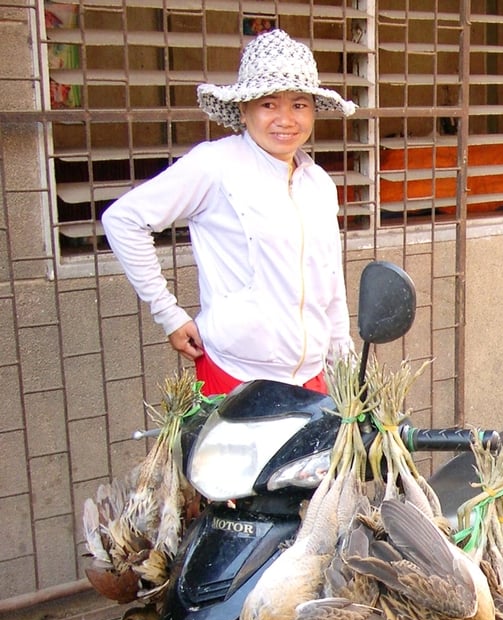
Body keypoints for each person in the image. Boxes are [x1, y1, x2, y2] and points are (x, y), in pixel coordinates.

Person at [101, 29, 357, 396]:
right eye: (269, 104)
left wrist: (343, 368)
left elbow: (329, 283)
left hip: (310, 382)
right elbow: (123, 220)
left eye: (299, 104)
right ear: (244, 108)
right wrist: (168, 313)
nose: (286, 119)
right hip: (237, 378)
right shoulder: (216, 165)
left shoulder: (317, 183)